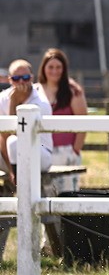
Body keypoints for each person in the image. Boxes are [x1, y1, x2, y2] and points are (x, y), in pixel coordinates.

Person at [37, 49, 88, 195]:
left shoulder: (73, 91)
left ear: (64, 69)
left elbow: (82, 122)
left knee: (66, 193)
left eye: (58, 67)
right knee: (43, 193)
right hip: (43, 151)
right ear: (44, 68)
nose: (54, 71)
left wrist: (75, 150)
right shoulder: (36, 91)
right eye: (51, 67)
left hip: (66, 151)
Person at [0, 58, 55, 176]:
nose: (21, 82)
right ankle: (14, 176)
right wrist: (10, 170)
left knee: (14, 142)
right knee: (9, 142)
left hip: (40, 152)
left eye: (25, 78)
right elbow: (3, 137)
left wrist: (14, 103)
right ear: (10, 80)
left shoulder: (41, 103)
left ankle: (19, 181)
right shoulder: (3, 99)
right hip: (10, 156)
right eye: (16, 78)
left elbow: (20, 135)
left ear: (31, 78)